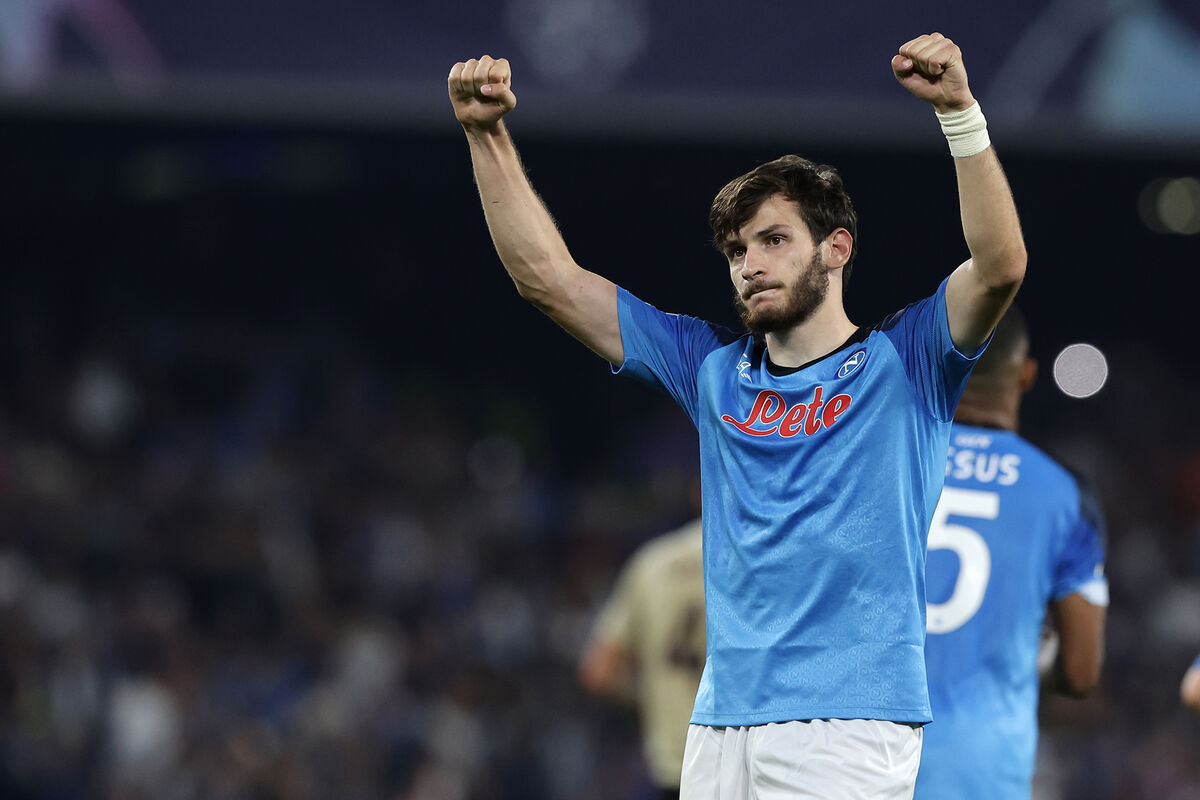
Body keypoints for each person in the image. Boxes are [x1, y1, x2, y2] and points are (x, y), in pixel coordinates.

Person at [449, 32, 1027, 797]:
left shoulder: (908, 358)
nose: (750, 264)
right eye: (735, 250)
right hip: (719, 723)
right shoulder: (712, 368)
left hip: (847, 722)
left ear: (837, 248)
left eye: (774, 240)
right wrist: (485, 135)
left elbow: (1000, 266)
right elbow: (549, 281)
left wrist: (959, 113)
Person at [914, 306, 1109, 799]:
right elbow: (1081, 672)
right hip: (980, 773)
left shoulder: (889, 461)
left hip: (863, 758)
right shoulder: (1064, 496)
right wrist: (1029, 654)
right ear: (1026, 375)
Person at [578, 518, 704, 800]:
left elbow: (599, 671)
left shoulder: (652, 562)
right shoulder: (760, 557)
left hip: (675, 759)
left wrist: (652, 695)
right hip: (740, 751)